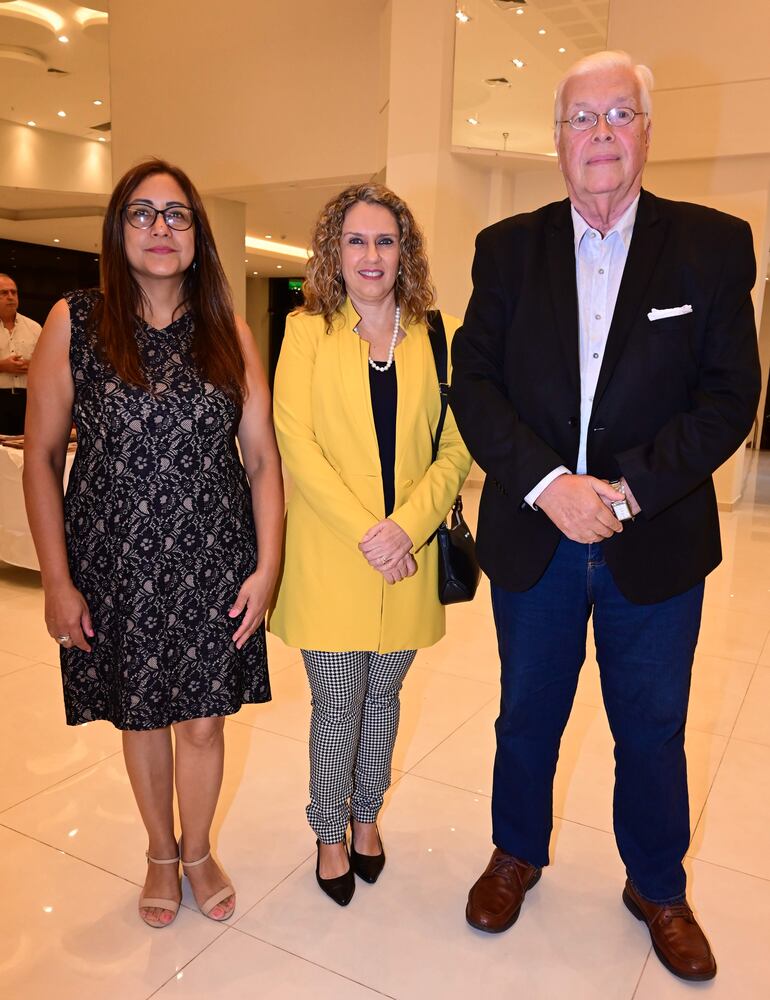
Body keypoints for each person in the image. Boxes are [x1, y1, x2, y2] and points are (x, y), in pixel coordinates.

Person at [451, 51, 761, 981]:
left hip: (652, 537)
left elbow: (728, 396)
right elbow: (476, 385)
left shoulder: (711, 245)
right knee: (525, 716)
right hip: (535, 536)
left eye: (618, 115)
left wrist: (620, 491)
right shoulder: (506, 249)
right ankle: (517, 852)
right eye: (580, 119)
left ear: (645, 133)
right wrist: (551, 485)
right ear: (555, 141)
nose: (599, 135)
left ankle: (658, 887)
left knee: (653, 726)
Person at [23, 159, 284, 929]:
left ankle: (197, 849)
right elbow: (40, 457)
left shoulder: (229, 333)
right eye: (142, 214)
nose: (160, 228)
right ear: (118, 231)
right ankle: (159, 854)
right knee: (141, 716)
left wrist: (266, 570)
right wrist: (56, 580)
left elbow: (263, 460)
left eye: (176, 215)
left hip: (213, 560)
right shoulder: (77, 319)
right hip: (117, 563)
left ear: (198, 237)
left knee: (203, 720)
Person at [270, 183, 472, 906]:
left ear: (404, 252)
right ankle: (328, 831)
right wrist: (369, 532)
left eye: (385, 240)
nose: (371, 254)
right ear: (334, 252)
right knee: (337, 699)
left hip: (406, 557)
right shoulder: (304, 332)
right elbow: (296, 443)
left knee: (383, 697)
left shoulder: (434, 334)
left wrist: (406, 527)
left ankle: (366, 818)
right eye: (356, 240)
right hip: (334, 555)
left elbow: (455, 447)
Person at [0, 273, 42, 434]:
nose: (10, 297)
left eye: (13, 292)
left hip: (27, 401)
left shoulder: (34, 328)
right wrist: (2, 366)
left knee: (24, 449)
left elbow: (49, 365)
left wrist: (32, 365)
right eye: (3, 293)